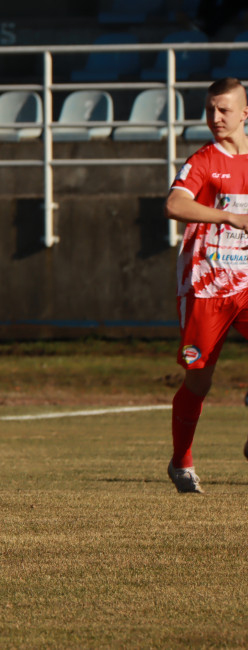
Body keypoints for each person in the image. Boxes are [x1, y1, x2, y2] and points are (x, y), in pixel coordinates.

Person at [164, 76, 248, 493]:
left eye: (224, 110)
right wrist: (228, 217)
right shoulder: (203, 160)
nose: (215, 117)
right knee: (199, 379)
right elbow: (174, 204)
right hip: (207, 284)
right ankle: (181, 461)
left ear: (245, 113)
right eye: (210, 109)